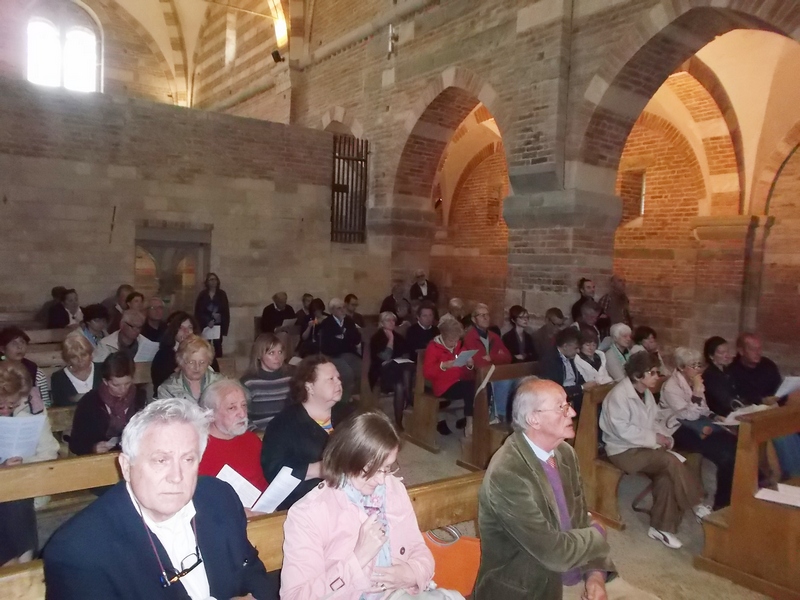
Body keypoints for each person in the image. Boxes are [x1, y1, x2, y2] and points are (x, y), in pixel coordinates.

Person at [43, 398, 277, 599]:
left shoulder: (219, 498)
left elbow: (252, 571)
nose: (177, 477)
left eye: (188, 460)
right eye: (161, 460)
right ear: (126, 466)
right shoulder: (78, 550)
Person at [476, 378, 659, 600]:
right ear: (534, 419)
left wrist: (595, 575)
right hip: (533, 588)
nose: (572, 412)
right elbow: (553, 553)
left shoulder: (564, 453)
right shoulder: (508, 473)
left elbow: (580, 520)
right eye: (561, 407)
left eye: (568, 404)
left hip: (579, 572)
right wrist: (598, 533)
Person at [281, 410, 463, 600]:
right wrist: (358, 559)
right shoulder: (309, 513)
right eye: (371, 470)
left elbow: (419, 549)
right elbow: (294, 597)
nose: (382, 480)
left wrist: (410, 573)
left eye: (387, 468)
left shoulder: (393, 489)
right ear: (347, 458)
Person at [599, 352, 707, 549]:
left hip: (641, 447)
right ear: (638, 375)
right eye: (653, 372)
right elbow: (622, 431)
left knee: (667, 475)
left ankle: (660, 528)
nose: (658, 376)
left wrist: (665, 436)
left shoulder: (646, 393)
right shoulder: (618, 396)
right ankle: (696, 504)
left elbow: (654, 420)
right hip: (622, 452)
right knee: (669, 461)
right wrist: (655, 438)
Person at [260, 356, 354, 511]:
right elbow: (273, 470)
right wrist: (318, 469)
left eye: (338, 377)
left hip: (349, 495)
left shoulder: (349, 414)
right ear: (309, 387)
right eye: (330, 379)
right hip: (306, 503)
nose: (338, 382)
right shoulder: (284, 424)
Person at [661, 347, 736, 509]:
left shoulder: (695, 381)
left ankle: (737, 495)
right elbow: (687, 416)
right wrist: (696, 393)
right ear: (681, 367)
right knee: (725, 457)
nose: (698, 369)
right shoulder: (671, 387)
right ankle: (722, 505)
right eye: (693, 366)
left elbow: (703, 409)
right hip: (678, 429)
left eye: (699, 365)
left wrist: (715, 417)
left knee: (735, 443)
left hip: (697, 423)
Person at [0, 362, 59, 567]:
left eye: (12, 405)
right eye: (1, 406)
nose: (6, 410)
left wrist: (23, 463)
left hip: (25, 483)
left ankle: (21, 564)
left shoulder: (32, 409)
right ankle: (20, 565)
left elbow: (50, 451)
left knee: (16, 492)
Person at [68, 353, 146, 456]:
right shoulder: (90, 402)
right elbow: (75, 444)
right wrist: (93, 448)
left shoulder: (139, 398)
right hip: (97, 460)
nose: (123, 389)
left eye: (127, 383)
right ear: (105, 381)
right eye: (116, 385)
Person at [198, 379, 268, 494]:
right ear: (210, 414)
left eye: (244, 405)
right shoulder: (197, 448)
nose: (242, 414)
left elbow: (265, 484)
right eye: (232, 408)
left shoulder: (252, 440)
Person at [423, 318, 475, 436]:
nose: (454, 343)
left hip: (459, 381)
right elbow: (427, 373)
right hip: (443, 386)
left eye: (456, 340)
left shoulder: (458, 345)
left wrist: (469, 364)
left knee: (479, 386)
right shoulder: (433, 348)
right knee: (469, 388)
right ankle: (469, 422)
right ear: (443, 336)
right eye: (451, 340)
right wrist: (443, 366)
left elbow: (464, 366)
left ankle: (472, 419)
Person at [464, 303, 513, 421]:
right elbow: (479, 364)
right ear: (473, 319)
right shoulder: (469, 338)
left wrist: (491, 358)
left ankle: (506, 415)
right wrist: (498, 358)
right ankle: (500, 417)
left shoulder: (494, 336)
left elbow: (508, 357)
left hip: (493, 373)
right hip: (477, 376)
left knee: (518, 382)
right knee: (506, 382)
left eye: (487, 315)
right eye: (481, 315)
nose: (486, 318)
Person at [369, 311, 414, 430]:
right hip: (381, 372)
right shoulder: (377, 337)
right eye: (388, 320)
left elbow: (406, 353)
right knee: (403, 375)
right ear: (381, 322)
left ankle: (399, 420)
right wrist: (390, 340)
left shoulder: (399, 337)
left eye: (393, 320)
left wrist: (402, 357)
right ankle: (409, 400)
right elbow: (384, 358)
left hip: (397, 371)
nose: (392, 323)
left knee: (403, 378)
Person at [240, 333, 292, 429]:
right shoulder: (249, 383)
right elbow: (241, 416)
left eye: (280, 352)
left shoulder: (290, 378)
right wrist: (256, 434)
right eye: (271, 353)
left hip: (288, 433)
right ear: (259, 356)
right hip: (260, 435)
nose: (277, 357)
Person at [540, 328, 593, 416]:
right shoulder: (550, 360)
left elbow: (578, 378)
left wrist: (588, 385)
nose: (578, 351)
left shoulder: (569, 357)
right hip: (560, 400)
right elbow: (554, 389)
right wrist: (581, 388)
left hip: (573, 395)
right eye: (576, 348)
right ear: (565, 346)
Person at [319, 297, 362, 403]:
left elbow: (356, 339)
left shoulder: (349, 321)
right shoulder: (327, 323)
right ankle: (344, 399)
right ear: (332, 310)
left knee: (362, 369)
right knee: (347, 373)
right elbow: (327, 345)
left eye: (343, 307)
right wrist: (343, 339)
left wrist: (342, 337)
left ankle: (355, 394)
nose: (343, 310)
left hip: (349, 353)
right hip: (333, 355)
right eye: (339, 308)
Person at [157, 335, 224, 402]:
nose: (197, 367)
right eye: (191, 362)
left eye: (202, 362)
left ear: (208, 362)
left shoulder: (221, 384)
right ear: (181, 362)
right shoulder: (167, 389)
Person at [0, 326, 51, 407]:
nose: (19, 347)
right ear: (2, 349)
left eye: (22, 342)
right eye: (14, 343)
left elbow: (45, 403)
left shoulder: (35, 371)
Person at [729, 332, 783, 406]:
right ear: (741, 351)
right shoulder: (731, 370)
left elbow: (779, 389)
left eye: (759, 348)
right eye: (753, 349)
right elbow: (736, 398)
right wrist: (761, 401)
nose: (758, 353)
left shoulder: (768, 365)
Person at [50, 331, 103, 406]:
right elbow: (60, 406)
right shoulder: (58, 378)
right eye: (74, 357)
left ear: (90, 354)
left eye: (84, 355)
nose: (80, 360)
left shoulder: (103, 369)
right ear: (67, 359)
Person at [152, 312, 198, 391]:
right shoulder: (163, 355)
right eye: (181, 328)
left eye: (189, 327)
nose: (186, 331)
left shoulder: (202, 352)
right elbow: (160, 383)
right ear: (174, 331)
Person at [701, 336, 740, 417]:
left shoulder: (728, 370)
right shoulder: (710, 375)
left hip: (732, 412)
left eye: (727, 351)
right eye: (721, 353)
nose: (727, 355)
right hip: (719, 417)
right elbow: (723, 400)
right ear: (711, 356)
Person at [194, 272, 230, 358]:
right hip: (206, 324)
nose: (213, 282)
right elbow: (199, 311)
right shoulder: (203, 295)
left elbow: (225, 310)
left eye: (215, 279)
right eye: (211, 279)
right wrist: (207, 321)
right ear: (207, 282)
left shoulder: (221, 294)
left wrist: (220, 319)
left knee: (218, 345)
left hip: (218, 324)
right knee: (206, 345)